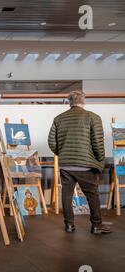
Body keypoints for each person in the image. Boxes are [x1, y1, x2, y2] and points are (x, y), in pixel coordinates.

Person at [48, 90, 111, 234]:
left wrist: (63, 153)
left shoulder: (59, 118)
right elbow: (98, 143)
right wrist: (100, 159)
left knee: (66, 195)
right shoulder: (93, 117)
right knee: (92, 195)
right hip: (86, 165)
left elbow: (51, 141)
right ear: (84, 101)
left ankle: (69, 225)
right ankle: (96, 226)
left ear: (70, 102)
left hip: (66, 165)